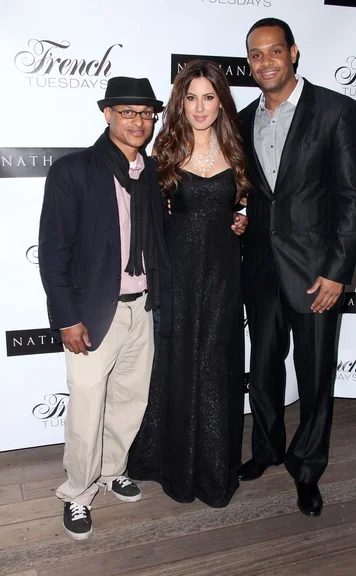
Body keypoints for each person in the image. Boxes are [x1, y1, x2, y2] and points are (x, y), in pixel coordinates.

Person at [238, 18, 356, 516]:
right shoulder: (246, 117)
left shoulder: (337, 110)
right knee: (264, 369)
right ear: (248, 61)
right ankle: (267, 449)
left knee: (314, 377)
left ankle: (307, 468)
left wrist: (338, 272)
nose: (265, 61)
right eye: (255, 54)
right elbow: (258, 194)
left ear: (293, 53)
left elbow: (354, 198)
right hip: (261, 270)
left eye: (274, 51)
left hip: (317, 273)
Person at [38, 76, 172, 540]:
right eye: (128, 112)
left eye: (146, 113)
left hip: (141, 308)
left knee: (130, 401)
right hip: (94, 313)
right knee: (87, 407)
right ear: (107, 115)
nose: (139, 121)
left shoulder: (150, 172)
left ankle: (113, 470)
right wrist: (67, 318)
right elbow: (54, 252)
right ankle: (77, 492)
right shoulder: (74, 170)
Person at [128, 60, 250, 508]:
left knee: (217, 365)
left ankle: (214, 470)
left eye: (209, 97)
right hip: (177, 273)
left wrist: (245, 217)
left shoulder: (238, 149)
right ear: (181, 102)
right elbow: (149, 221)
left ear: (221, 101)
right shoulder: (165, 153)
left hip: (223, 273)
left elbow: (251, 201)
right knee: (176, 363)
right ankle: (172, 465)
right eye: (191, 97)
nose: (200, 107)